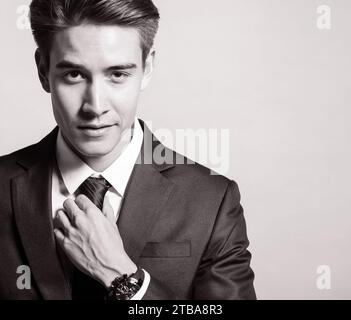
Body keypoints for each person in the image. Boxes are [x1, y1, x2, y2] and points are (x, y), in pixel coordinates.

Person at [0, 0, 256, 300]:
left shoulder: (211, 202)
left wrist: (122, 277)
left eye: (117, 74)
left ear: (147, 69)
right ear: (44, 70)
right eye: (74, 75)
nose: (95, 107)